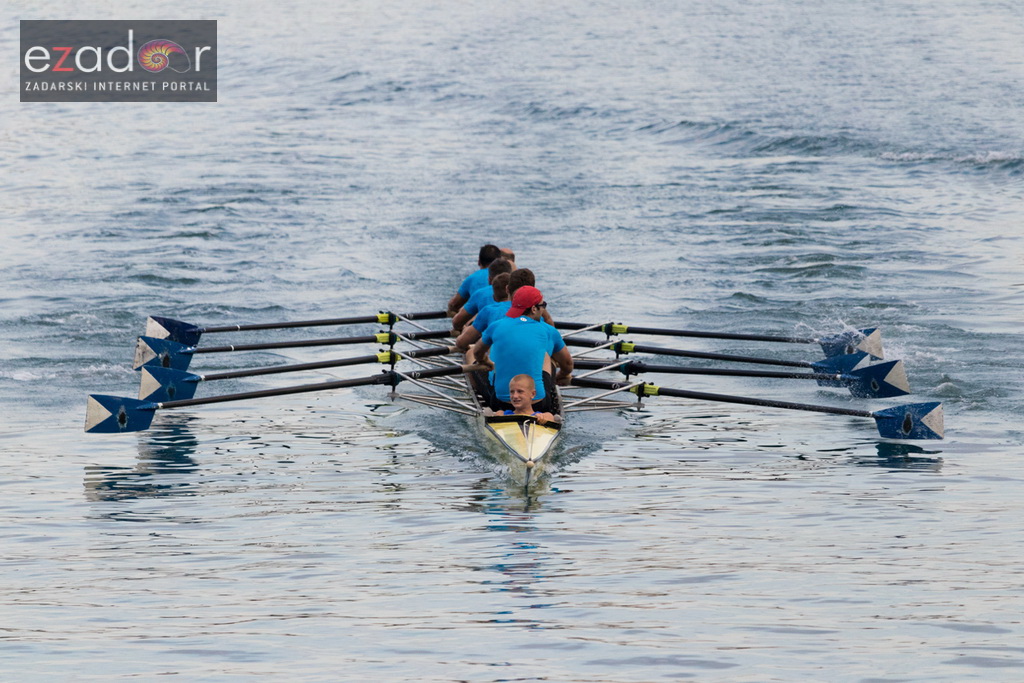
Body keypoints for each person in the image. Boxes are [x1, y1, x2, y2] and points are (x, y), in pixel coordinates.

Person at [472, 285, 573, 413]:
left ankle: (481, 403)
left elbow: (477, 352)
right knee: (546, 355)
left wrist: (485, 361)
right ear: (534, 309)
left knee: (476, 365)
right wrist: (562, 375)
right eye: (543, 306)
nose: (543, 310)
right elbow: (568, 364)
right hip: (538, 404)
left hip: (501, 404)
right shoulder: (548, 330)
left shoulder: (496, 326)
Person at [451, 257, 514, 333]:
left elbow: (457, 322)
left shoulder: (481, 294)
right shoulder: (522, 295)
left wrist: (465, 329)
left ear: (489, 279)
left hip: (484, 339)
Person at [447, 244, 501, 316]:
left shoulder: (472, 278)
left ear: (479, 262)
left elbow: (454, 304)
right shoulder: (507, 277)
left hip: (479, 322)